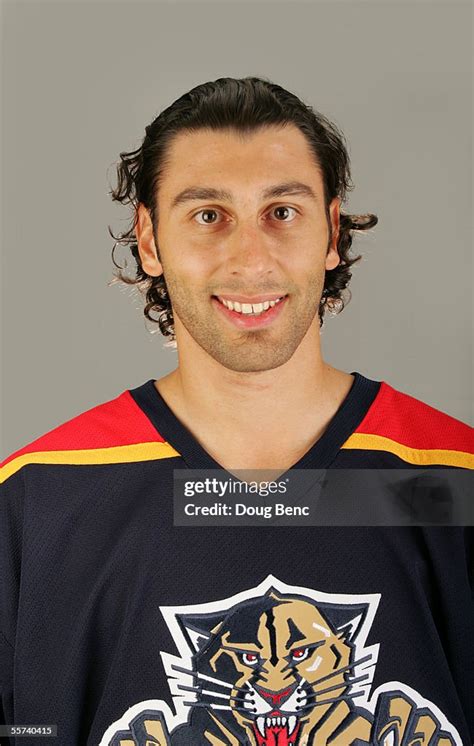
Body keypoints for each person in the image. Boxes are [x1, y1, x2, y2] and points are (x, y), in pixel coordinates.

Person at [0, 77, 472, 746]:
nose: (251, 259)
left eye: (282, 211)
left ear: (330, 233)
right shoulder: (38, 501)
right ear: (151, 240)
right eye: (207, 215)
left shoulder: (453, 483)